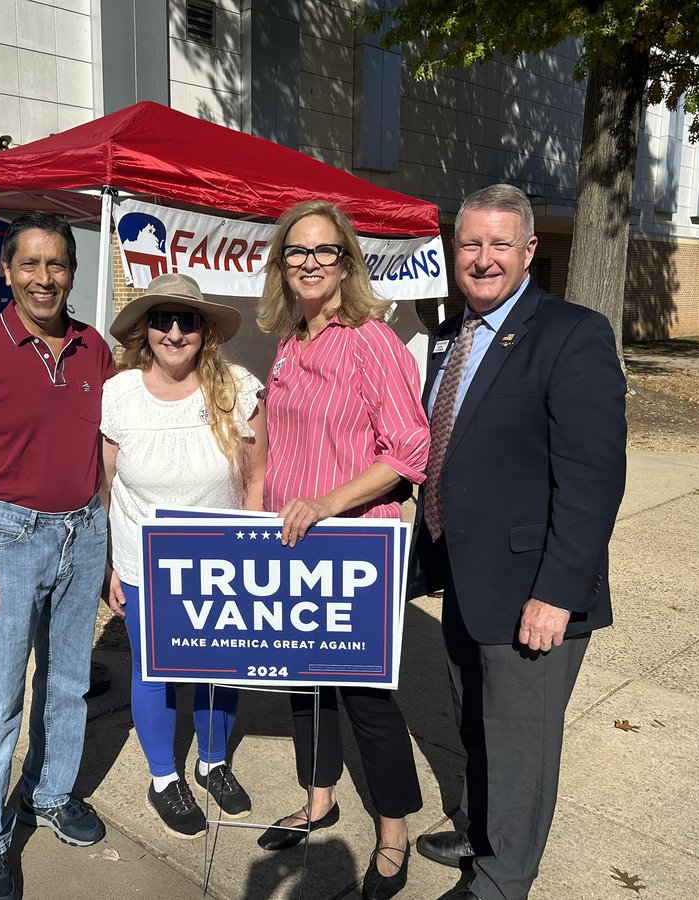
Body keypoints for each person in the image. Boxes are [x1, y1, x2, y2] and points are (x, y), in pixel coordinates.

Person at [413, 184, 626, 900]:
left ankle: (501, 882)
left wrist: (557, 594)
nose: (482, 258)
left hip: (533, 590)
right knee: (475, 721)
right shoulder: (450, 333)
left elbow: (593, 481)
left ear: (529, 250)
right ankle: (480, 831)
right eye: (470, 243)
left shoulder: (573, 332)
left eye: (500, 243)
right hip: (466, 579)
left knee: (520, 746)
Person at [0, 211, 116, 900]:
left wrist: (108, 545)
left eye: (57, 264)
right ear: (7, 271)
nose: (45, 278)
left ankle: (50, 792)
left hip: (82, 533)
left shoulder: (95, 348)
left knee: (67, 684)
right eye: (31, 264)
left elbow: (106, 455)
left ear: (73, 271)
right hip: (8, 537)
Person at [255, 200, 431, 900]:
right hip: (292, 546)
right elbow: (282, 442)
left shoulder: (370, 340)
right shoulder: (289, 340)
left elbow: (410, 449)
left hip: (356, 544)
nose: (309, 264)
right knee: (305, 684)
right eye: (296, 252)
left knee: (366, 696)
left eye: (324, 251)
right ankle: (319, 799)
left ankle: (394, 833)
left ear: (346, 261)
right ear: (282, 263)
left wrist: (328, 504)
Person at [100, 272, 268, 840]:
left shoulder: (237, 389)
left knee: (218, 669)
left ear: (206, 331)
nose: (174, 331)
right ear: (144, 331)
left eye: (187, 321)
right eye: (161, 320)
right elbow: (104, 484)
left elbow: (256, 477)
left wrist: (251, 551)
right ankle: (163, 776)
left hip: (218, 561)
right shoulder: (117, 393)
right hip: (143, 560)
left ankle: (213, 763)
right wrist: (108, 565)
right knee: (155, 671)